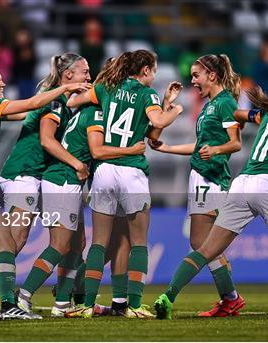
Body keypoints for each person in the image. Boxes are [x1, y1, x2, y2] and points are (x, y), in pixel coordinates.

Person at [154, 80, 268, 321]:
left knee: (206, 249)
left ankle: (167, 296)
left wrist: (238, 122)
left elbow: (237, 114)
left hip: (241, 184)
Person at [0, 62, 90, 320]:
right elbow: (31, 106)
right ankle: (0, 302)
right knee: (9, 241)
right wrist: (63, 88)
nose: (3, 84)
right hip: (17, 176)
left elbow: (26, 112)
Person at [16, 57, 146, 317]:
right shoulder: (94, 112)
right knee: (59, 245)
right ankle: (24, 296)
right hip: (64, 180)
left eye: (91, 74)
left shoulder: (81, 109)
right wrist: (131, 149)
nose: (88, 78)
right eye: (85, 73)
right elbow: (96, 150)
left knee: (78, 244)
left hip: (62, 179)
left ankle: (63, 302)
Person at [64, 49, 183, 318]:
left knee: (99, 242)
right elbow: (157, 123)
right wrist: (175, 109)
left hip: (104, 171)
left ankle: (86, 305)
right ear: (145, 71)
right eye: (153, 71)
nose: (153, 76)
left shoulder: (107, 86)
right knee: (138, 240)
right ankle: (135, 305)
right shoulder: (145, 93)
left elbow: (73, 102)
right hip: (131, 172)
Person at [149, 54, 245, 317]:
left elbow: (235, 143)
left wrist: (215, 150)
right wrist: (167, 148)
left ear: (212, 76)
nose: (193, 81)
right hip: (201, 176)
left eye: (196, 75)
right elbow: (200, 146)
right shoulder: (210, 106)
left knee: (202, 243)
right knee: (205, 244)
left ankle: (172, 295)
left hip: (211, 179)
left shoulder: (225, 103)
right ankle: (230, 298)